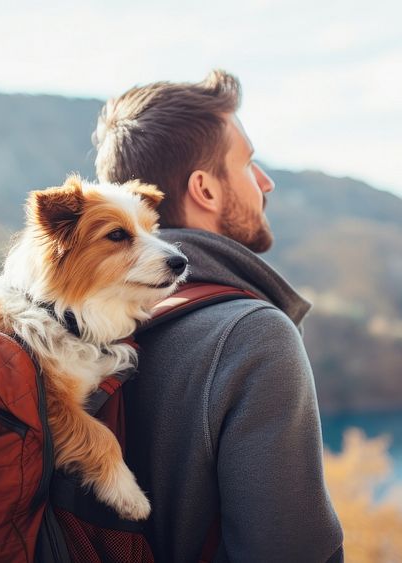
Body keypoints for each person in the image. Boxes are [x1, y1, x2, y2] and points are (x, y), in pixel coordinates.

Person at [91, 70, 344, 562]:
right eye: (249, 162)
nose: (266, 182)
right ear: (204, 189)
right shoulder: (250, 335)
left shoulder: (69, 328)